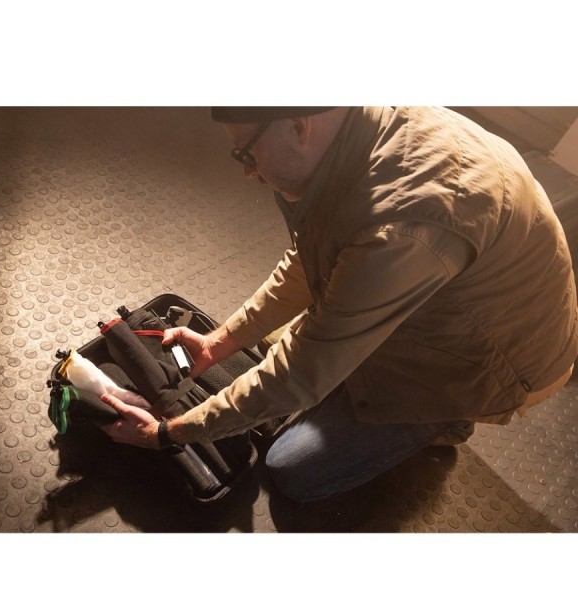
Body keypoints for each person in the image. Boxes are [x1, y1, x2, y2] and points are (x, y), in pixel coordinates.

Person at [100, 106, 578, 502]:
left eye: (247, 152)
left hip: (494, 361)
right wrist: (218, 343)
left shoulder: (401, 223)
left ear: (298, 126)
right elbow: (310, 259)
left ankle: (447, 418)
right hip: (439, 299)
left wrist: (169, 432)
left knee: (293, 468)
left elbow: (300, 375)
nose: (247, 171)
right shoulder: (355, 130)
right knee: (281, 346)